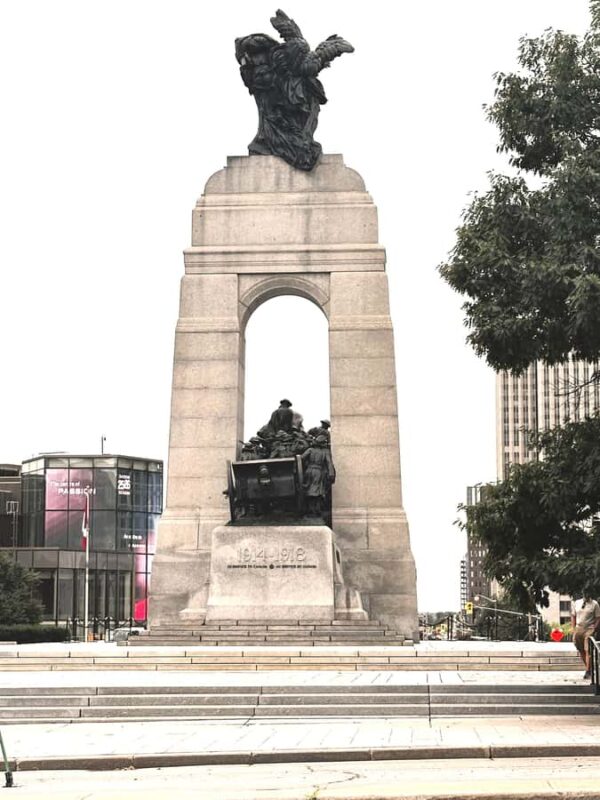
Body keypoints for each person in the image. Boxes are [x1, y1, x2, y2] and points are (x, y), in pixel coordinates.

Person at [301, 435, 335, 517]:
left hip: (308, 471)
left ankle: (311, 509)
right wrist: (331, 473)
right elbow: (329, 463)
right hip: (318, 472)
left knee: (309, 488)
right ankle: (316, 510)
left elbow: (302, 458)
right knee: (317, 490)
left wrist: (307, 464)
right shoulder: (325, 451)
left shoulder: (310, 450)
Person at [570, 589, 600, 679]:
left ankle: (587, 671)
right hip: (579, 628)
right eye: (584, 593)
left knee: (587, 650)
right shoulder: (577, 603)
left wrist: (594, 627)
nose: (585, 594)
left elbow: (598, 617)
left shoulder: (595, 604)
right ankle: (589, 668)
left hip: (589, 628)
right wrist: (573, 627)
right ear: (582, 593)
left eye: (587, 593)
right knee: (581, 649)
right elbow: (573, 615)